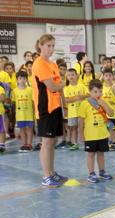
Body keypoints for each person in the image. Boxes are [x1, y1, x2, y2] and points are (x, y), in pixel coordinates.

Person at [32, 33, 68, 187]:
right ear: (41, 46)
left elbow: (59, 88)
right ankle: (46, 176)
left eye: (53, 46)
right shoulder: (39, 64)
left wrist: (64, 104)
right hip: (44, 108)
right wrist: (61, 84)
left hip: (56, 107)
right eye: (48, 46)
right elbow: (54, 86)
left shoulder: (53, 64)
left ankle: (52, 172)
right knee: (46, 142)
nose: (51, 49)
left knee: (52, 141)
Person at [78, 79, 114, 183]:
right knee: (91, 154)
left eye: (100, 91)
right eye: (95, 91)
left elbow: (111, 114)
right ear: (90, 91)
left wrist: (104, 104)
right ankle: (91, 173)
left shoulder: (103, 102)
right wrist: (81, 134)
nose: (98, 94)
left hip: (102, 134)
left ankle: (102, 171)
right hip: (90, 135)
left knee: (101, 154)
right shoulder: (85, 104)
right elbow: (81, 121)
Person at [63, 68, 88, 151]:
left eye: (72, 75)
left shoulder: (82, 86)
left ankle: (86, 143)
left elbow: (88, 94)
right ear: (67, 77)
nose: (71, 77)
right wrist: (75, 98)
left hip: (83, 112)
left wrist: (82, 97)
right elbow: (66, 99)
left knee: (84, 127)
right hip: (72, 112)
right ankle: (74, 143)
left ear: (77, 75)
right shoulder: (66, 88)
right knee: (73, 128)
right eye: (69, 75)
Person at [11, 71, 34, 152]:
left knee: (29, 129)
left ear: (26, 79)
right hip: (20, 115)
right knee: (22, 129)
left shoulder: (30, 90)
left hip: (29, 114)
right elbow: (14, 103)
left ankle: (29, 144)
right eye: (20, 78)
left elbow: (33, 102)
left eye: (24, 78)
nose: (22, 80)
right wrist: (14, 113)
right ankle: (24, 144)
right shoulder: (14, 91)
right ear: (17, 80)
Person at [100, 68, 115, 151]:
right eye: (106, 76)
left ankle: (113, 142)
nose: (108, 77)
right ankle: (109, 140)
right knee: (106, 127)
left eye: (110, 75)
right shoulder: (101, 88)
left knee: (112, 127)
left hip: (114, 112)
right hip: (104, 112)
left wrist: (113, 102)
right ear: (103, 77)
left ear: (113, 76)